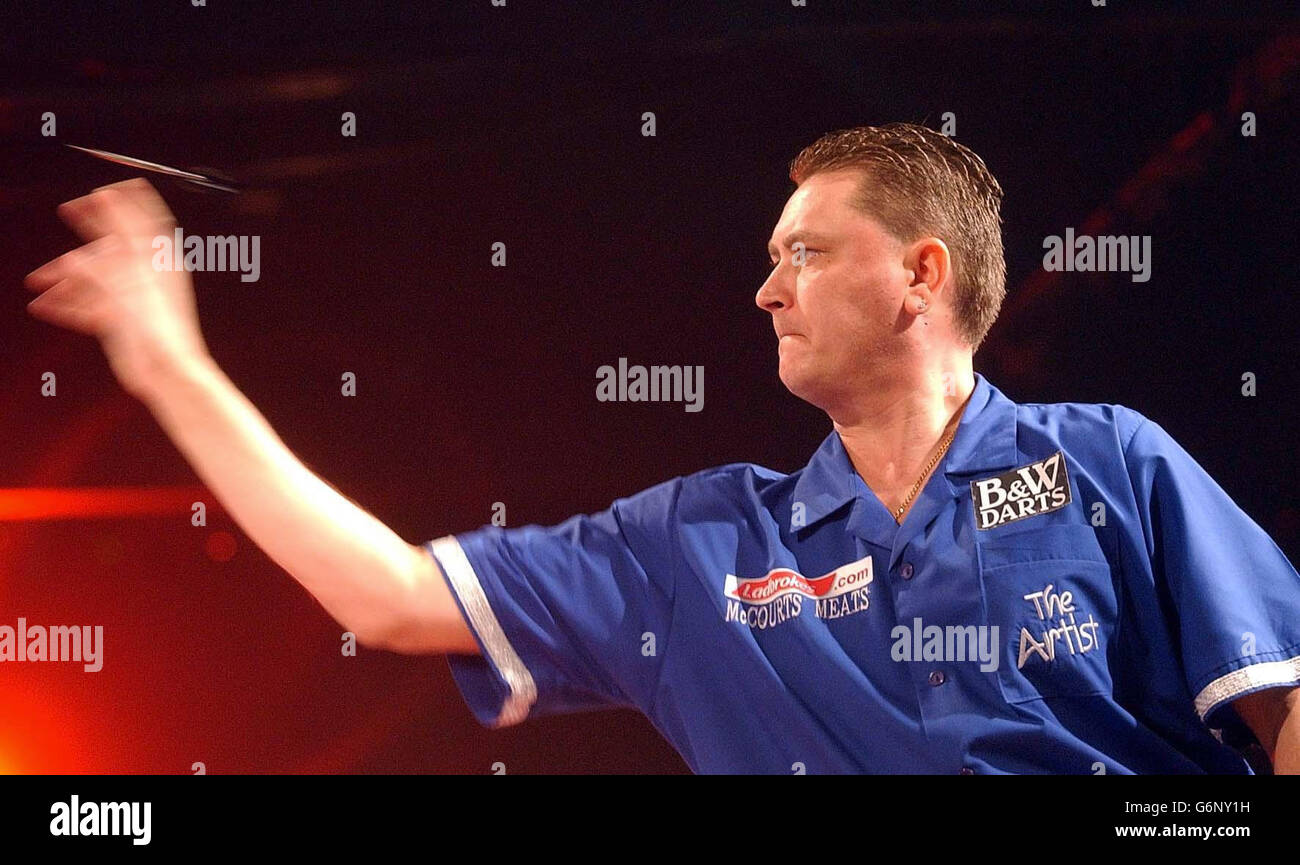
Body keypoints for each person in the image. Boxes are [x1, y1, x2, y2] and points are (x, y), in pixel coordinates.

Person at [25, 123, 1300, 774]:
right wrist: (167, 361)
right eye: (765, 262)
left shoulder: (1105, 464)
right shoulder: (695, 544)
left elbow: (1282, 707)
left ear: (921, 275)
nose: (765, 291)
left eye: (801, 253)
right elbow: (391, 595)